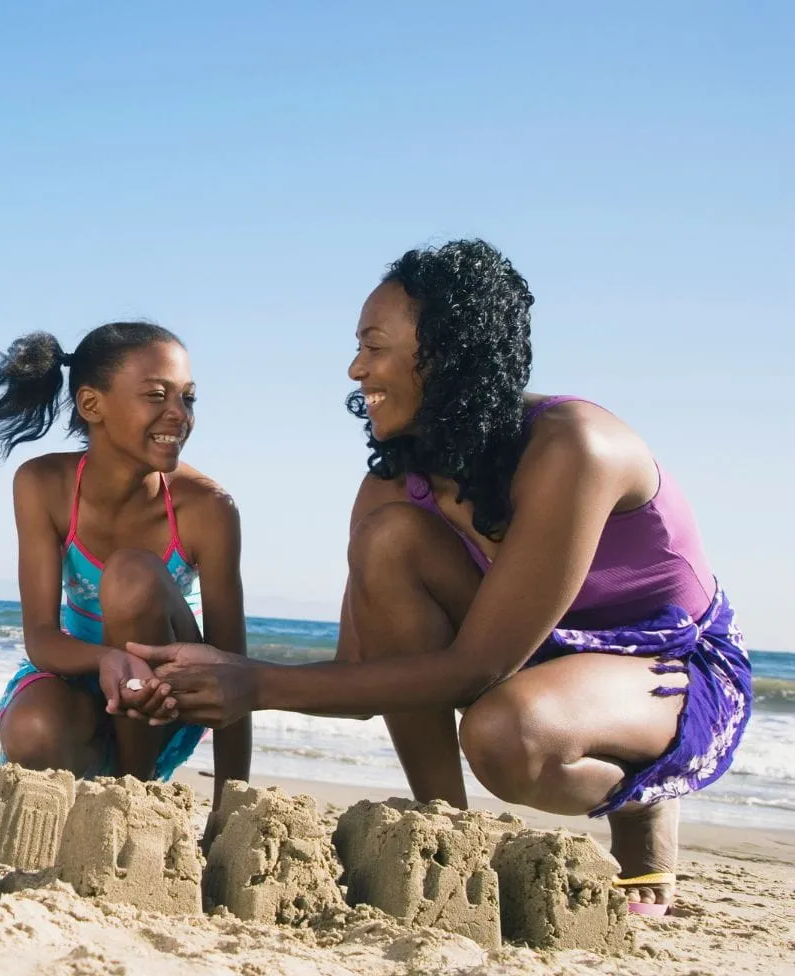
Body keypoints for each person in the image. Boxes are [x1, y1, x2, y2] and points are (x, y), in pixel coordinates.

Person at [135, 239, 752, 914]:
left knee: (506, 737)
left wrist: (254, 684)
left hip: (666, 662)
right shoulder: (395, 486)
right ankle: (447, 835)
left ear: (448, 356)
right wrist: (214, 675)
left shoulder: (576, 447)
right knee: (389, 541)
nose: (354, 368)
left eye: (374, 347)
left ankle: (644, 805)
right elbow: (361, 675)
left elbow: (475, 668)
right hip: (530, 644)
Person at [0, 323, 251, 802]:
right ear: (91, 405)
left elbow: (234, 672)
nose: (178, 414)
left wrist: (229, 809)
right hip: (82, 677)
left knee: (131, 576)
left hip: (166, 700)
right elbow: (41, 637)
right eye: (156, 395)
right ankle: (87, 794)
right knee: (34, 729)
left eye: (188, 398)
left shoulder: (208, 508)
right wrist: (108, 659)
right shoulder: (43, 485)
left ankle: (132, 795)